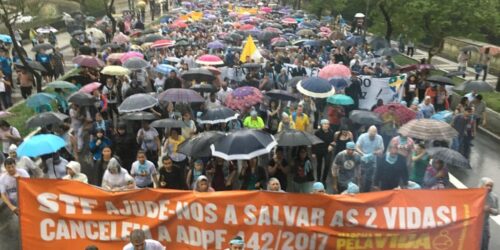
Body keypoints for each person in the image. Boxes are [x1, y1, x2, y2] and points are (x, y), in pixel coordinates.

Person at [355, 126, 384, 192]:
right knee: (360, 176)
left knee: (370, 178)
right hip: (362, 159)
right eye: (370, 135)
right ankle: (359, 190)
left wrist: (376, 152)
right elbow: (357, 147)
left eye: (373, 136)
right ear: (368, 132)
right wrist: (362, 154)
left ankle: (367, 191)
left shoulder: (379, 138)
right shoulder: (363, 136)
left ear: (376, 133)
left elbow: (381, 149)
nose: (372, 137)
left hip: (372, 160)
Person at [478, 177, 498, 250]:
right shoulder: (474, 195)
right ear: (481, 185)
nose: (489, 188)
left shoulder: (494, 197)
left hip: (484, 224)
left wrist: (490, 210)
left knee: (484, 242)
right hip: (473, 223)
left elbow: (496, 212)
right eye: (487, 185)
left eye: (491, 186)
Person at [312, 119, 335, 184]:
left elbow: (333, 141)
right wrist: (313, 152)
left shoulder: (331, 132)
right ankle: (318, 178)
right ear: (321, 125)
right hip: (319, 150)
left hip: (327, 150)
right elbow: (314, 142)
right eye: (325, 124)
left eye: (327, 124)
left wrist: (331, 145)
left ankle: (324, 178)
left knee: (327, 164)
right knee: (319, 164)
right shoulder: (317, 132)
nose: (326, 125)